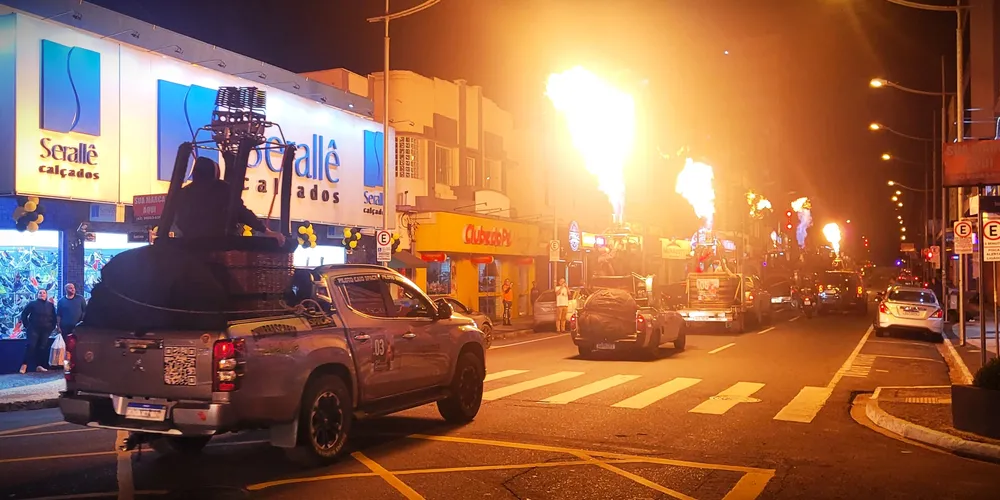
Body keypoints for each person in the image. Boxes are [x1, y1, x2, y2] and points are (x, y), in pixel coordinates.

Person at [175, 156, 286, 245]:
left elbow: (179, 221)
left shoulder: (184, 192)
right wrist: (266, 231)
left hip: (189, 246)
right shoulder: (222, 189)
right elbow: (241, 212)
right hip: (219, 246)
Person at [19, 289, 56, 373]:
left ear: (46, 295)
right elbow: (24, 314)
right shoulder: (32, 304)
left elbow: (54, 317)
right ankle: (24, 365)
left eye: (44, 293)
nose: (42, 294)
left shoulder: (50, 305)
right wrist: (27, 326)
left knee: (42, 347)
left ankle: (39, 366)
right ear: (37, 295)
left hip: (45, 330)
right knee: (31, 346)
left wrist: (52, 327)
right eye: (40, 293)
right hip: (33, 329)